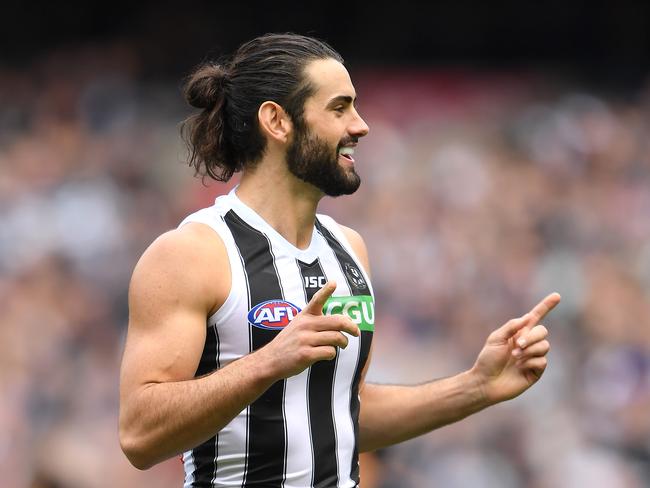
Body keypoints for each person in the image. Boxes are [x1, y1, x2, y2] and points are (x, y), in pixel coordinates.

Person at [118, 33, 560, 488]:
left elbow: (341, 412)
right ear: (277, 121)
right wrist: (269, 362)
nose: (361, 125)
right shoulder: (192, 253)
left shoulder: (350, 249)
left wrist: (475, 388)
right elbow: (140, 435)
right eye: (339, 107)